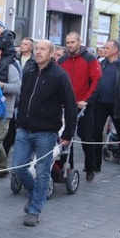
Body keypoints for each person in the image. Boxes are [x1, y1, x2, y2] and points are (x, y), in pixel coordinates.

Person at [13, 40, 77, 226]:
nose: (38, 52)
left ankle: (35, 210)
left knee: (42, 172)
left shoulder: (59, 75)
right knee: (18, 166)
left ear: (51, 53)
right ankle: (34, 194)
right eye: (37, 49)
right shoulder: (29, 71)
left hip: (46, 132)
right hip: (24, 128)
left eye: (43, 49)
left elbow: (71, 105)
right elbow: (24, 97)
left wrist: (68, 133)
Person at [58, 32, 102, 181]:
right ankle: (67, 166)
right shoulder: (62, 60)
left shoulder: (89, 58)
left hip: (83, 105)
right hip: (65, 105)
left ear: (79, 42)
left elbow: (96, 80)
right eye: (68, 42)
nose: (70, 45)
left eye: (72, 42)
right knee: (65, 137)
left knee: (86, 137)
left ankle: (90, 167)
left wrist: (86, 100)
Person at [92, 40, 120, 172]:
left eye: (107, 48)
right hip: (101, 104)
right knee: (96, 132)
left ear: (115, 50)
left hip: (118, 105)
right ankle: (96, 163)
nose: (104, 50)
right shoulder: (101, 64)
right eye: (104, 47)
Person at [0, 44, 21, 178]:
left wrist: (2, 85)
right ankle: (2, 168)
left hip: (5, 112)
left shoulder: (10, 67)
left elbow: (18, 88)